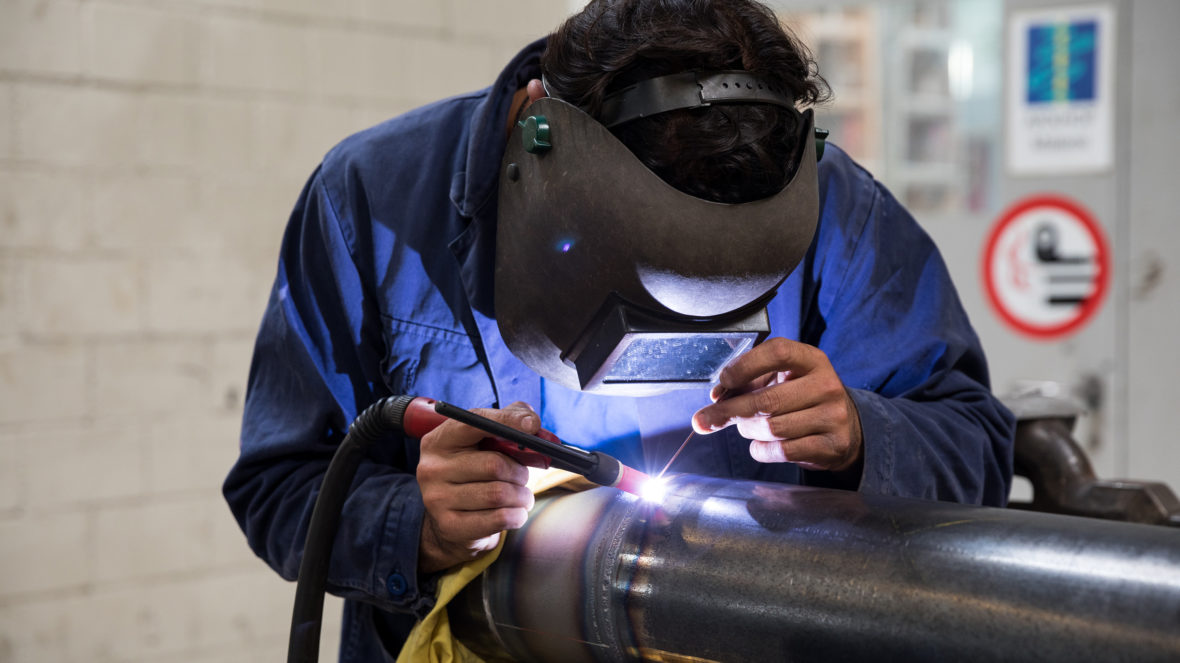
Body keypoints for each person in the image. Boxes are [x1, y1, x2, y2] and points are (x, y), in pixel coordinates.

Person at [223, 1, 1015, 660]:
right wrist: (414, 525)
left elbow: (975, 443)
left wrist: (860, 435)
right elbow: (279, 485)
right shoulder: (371, 202)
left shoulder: (840, 210)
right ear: (537, 131)